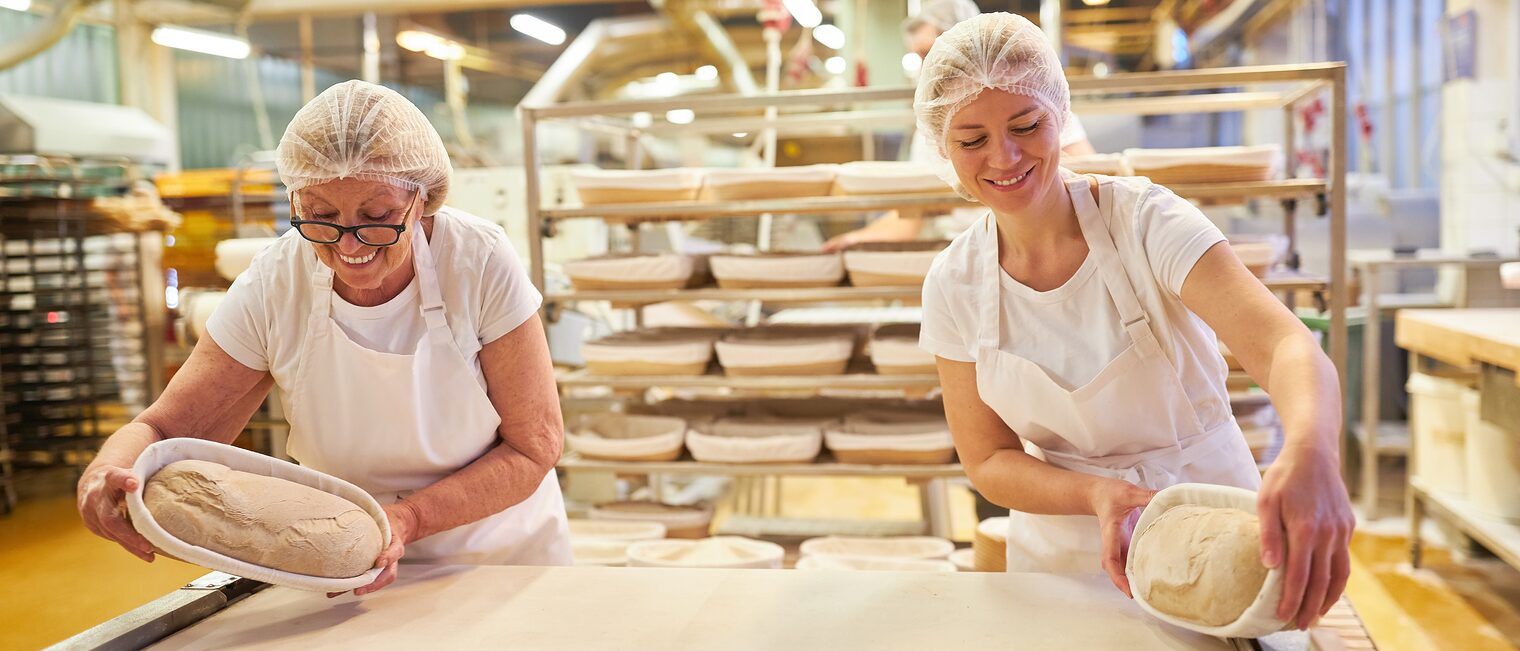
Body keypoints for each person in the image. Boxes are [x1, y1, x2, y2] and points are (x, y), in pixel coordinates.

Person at [915, 14, 1353, 631]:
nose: (1003, 157)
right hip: (1059, 555)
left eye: (1025, 126)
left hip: (1210, 536)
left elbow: (1282, 342)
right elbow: (987, 459)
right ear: (942, 145)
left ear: (1060, 116)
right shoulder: (954, 283)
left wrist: (1312, 450)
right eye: (971, 140)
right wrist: (1094, 496)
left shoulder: (1147, 223)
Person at [76, 81, 571, 596]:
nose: (349, 243)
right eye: (321, 217)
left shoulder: (478, 260)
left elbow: (534, 446)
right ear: (294, 199)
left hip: (500, 561)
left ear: (422, 200)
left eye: (377, 218)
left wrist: (408, 519)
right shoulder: (276, 281)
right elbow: (165, 427)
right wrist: (107, 470)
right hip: (337, 561)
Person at [823, 0, 1096, 252]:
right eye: (973, 140)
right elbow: (910, 217)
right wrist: (857, 239)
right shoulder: (938, 126)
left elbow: (1086, 174)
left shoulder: (1033, 101)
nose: (928, 67)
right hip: (965, 247)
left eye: (1024, 128)